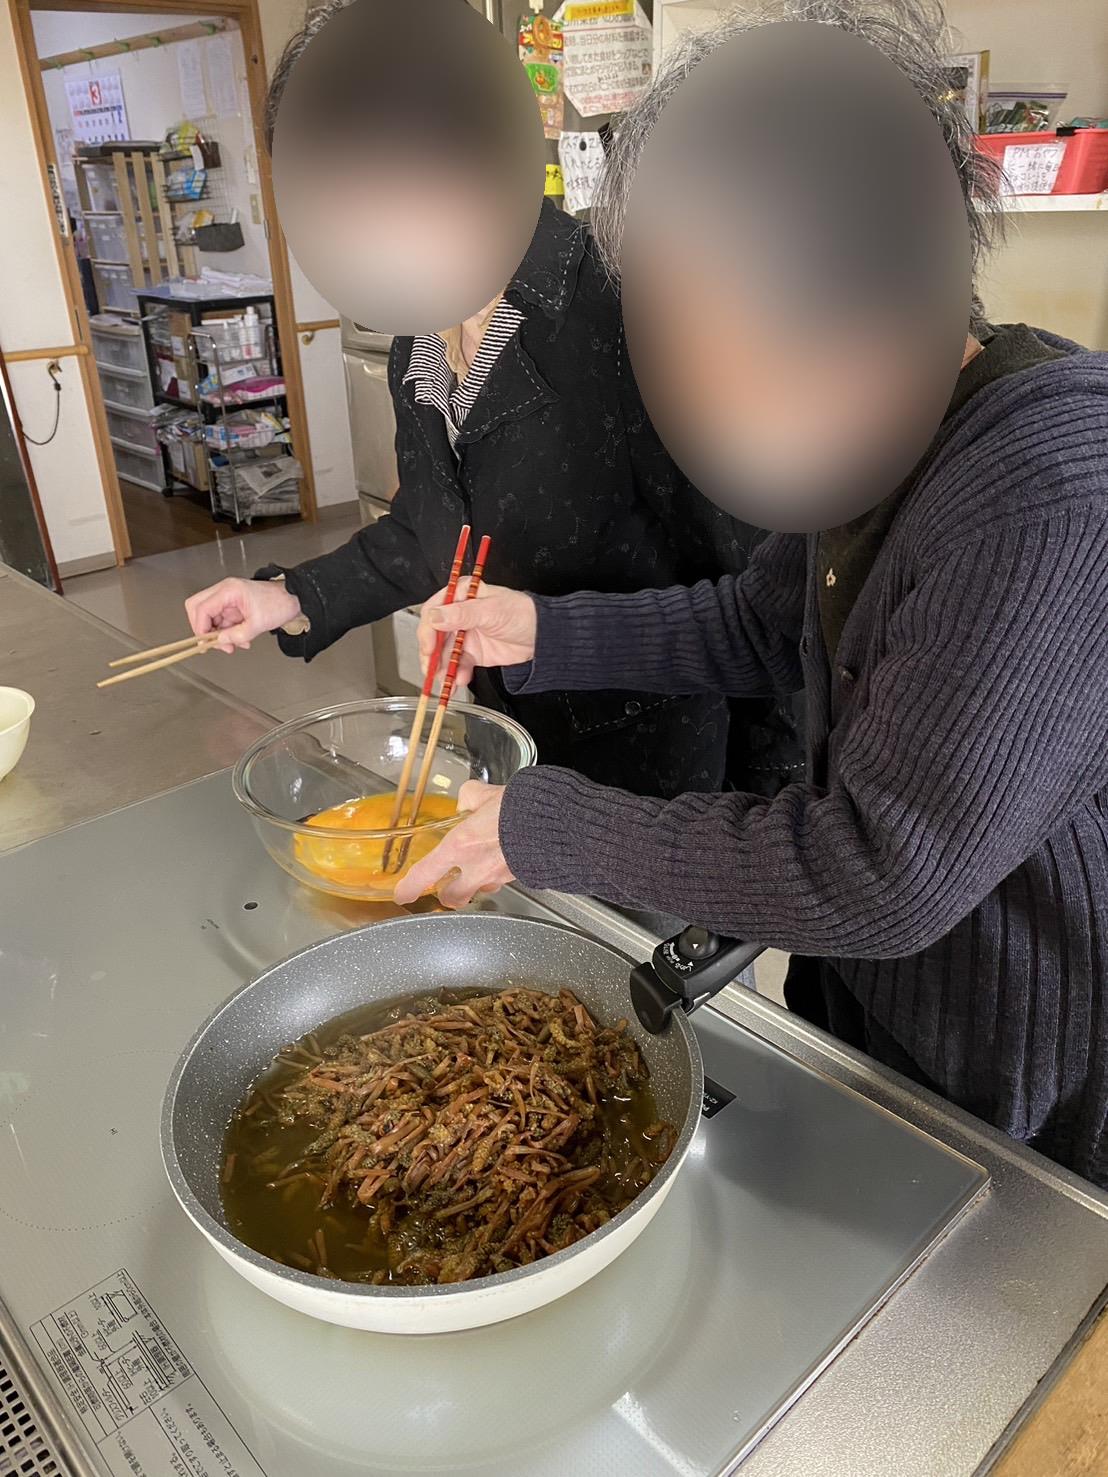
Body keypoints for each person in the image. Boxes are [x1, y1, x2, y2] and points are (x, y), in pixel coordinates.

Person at [396, 1, 1108, 1187]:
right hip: (875, 1017)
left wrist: (543, 825)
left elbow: (879, 872)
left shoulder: (1047, 496)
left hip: (1023, 1083)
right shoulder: (872, 433)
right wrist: (539, 632)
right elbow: (752, 622)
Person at [184, 3, 798, 802]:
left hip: (652, 779)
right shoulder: (416, 329)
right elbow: (431, 528)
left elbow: (759, 585)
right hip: (505, 748)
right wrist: (290, 596)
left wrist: (771, 794)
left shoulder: (622, 306)